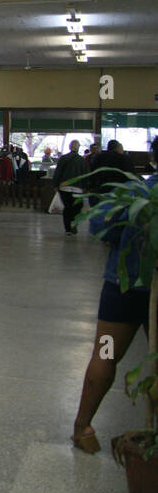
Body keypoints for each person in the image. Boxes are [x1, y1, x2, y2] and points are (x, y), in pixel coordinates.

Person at [71, 136, 157, 453]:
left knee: (105, 354)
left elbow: (100, 229)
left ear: (152, 158)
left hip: (123, 287)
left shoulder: (138, 193)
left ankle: (83, 428)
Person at [53, 139, 91, 234]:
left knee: (67, 207)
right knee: (77, 207)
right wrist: (86, 187)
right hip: (78, 189)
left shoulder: (63, 158)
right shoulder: (82, 160)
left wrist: (56, 185)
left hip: (64, 188)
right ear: (78, 148)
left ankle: (67, 229)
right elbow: (85, 174)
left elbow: (58, 172)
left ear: (70, 147)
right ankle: (74, 224)